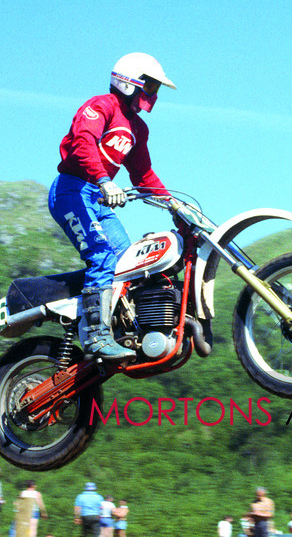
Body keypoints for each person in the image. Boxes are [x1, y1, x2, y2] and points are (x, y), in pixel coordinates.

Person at [49, 52, 176, 362]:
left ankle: (121, 328)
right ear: (130, 81)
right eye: (150, 86)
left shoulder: (138, 129)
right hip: (73, 191)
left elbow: (143, 174)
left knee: (126, 260)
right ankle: (94, 336)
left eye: (156, 89)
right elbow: (83, 144)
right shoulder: (101, 106)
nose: (152, 94)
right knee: (103, 255)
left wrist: (174, 206)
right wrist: (105, 181)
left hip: (101, 198)